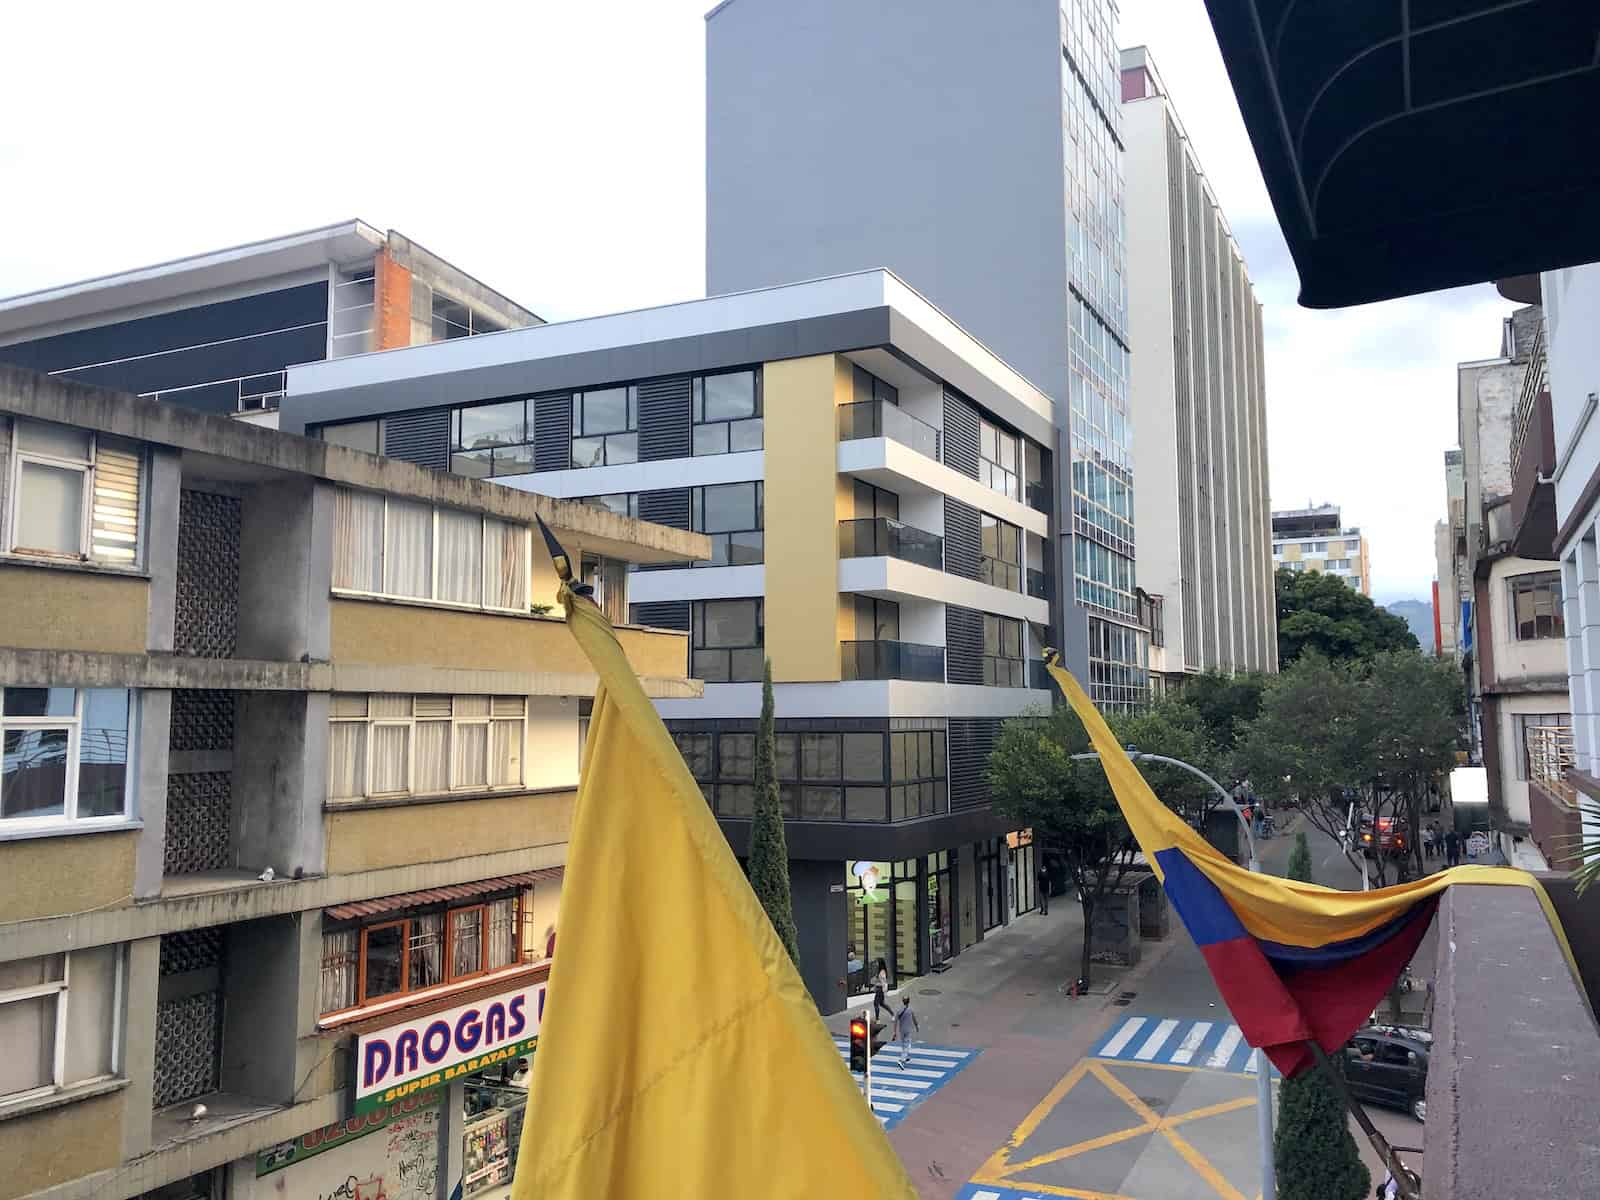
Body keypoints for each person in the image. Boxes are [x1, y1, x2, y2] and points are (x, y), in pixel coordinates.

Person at [893, 995, 919, 1067]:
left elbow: (895, 1022)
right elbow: (914, 1019)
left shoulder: (899, 1010)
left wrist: (894, 1032)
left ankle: (906, 1056)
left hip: (901, 1030)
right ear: (909, 1001)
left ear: (902, 1001)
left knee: (904, 1044)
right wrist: (917, 1026)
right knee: (907, 1045)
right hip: (908, 1030)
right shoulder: (910, 1010)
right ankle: (902, 1060)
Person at [872, 960, 893, 1024]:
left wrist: (884, 991)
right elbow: (878, 980)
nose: (876, 963)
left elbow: (883, 982)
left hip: (880, 990)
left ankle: (877, 1019)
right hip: (879, 989)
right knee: (881, 1004)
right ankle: (892, 1014)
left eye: (877, 962)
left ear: (880, 963)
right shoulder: (879, 971)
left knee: (876, 1004)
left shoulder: (882, 972)